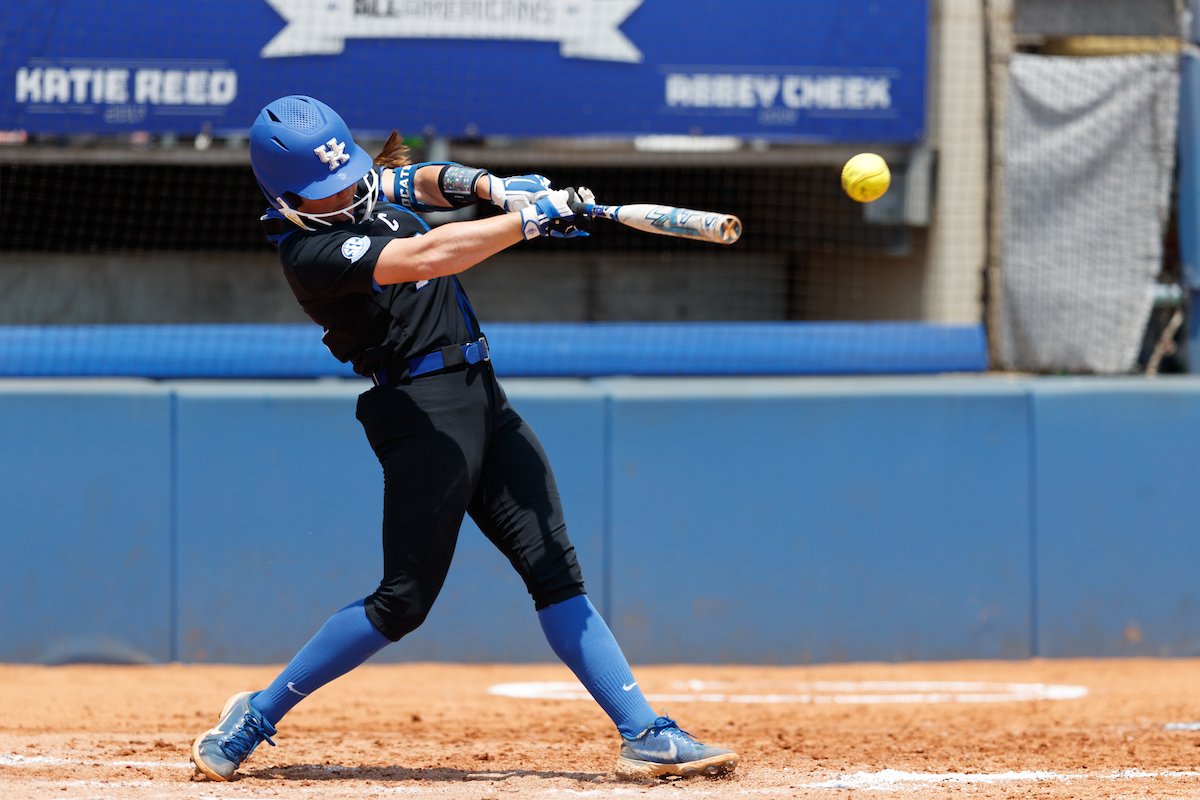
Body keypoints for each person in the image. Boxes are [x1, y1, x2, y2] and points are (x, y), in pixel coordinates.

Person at [188, 95, 738, 782]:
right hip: (420, 417)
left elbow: (421, 182)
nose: (350, 194)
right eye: (330, 191)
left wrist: (495, 188)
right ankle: (256, 716)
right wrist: (526, 220)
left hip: (483, 397)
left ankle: (646, 733)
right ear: (289, 196)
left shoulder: (353, 191)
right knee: (402, 604)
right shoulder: (311, 251)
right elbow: (429, 254)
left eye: (350, 178)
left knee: (555, 572)